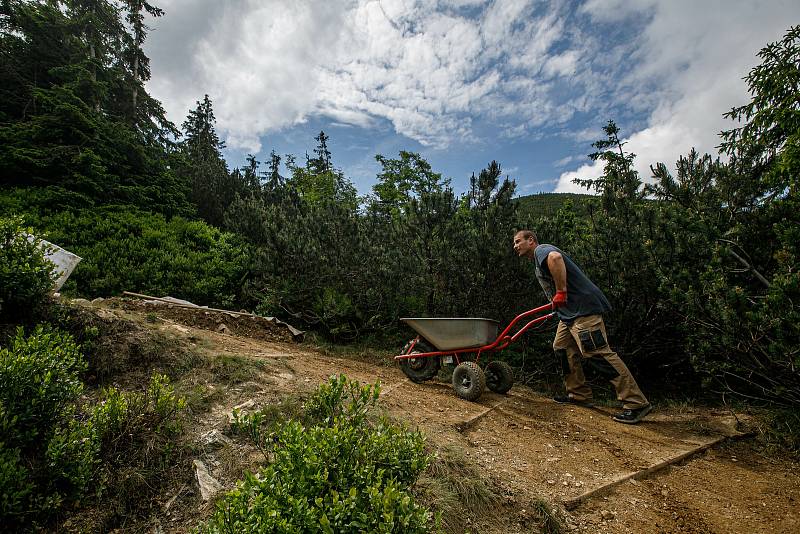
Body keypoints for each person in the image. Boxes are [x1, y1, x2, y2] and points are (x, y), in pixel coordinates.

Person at [513, 229, 652, 424]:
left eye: (518, 241)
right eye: (514, 243)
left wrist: (561, 292)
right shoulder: (536, 261)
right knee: (561, 348)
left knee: (597, 352)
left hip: (583, 309)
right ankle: (578, 394)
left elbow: (556, 258)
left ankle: (636, 403)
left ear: (531, 240)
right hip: (568, 314)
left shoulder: (542, 250)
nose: (515, 246)